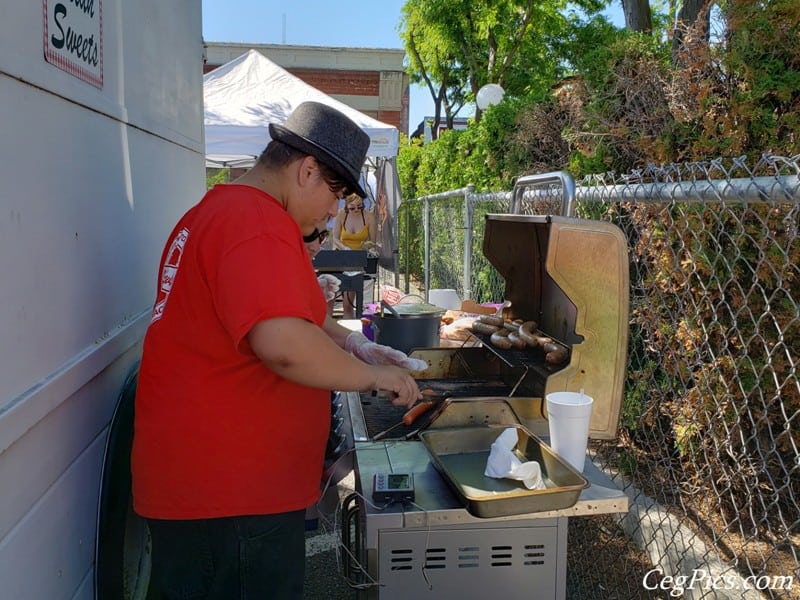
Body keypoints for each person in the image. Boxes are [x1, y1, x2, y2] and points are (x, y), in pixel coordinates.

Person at [131, 101, 425, 600]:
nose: (334, 213)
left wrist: (358, 345)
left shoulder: (224, 211)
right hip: (229, 497)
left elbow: (304, 319)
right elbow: (284, 344)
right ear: (306, 170)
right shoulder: (254, 221)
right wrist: (374, 378)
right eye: (335, 195)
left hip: (214, 490)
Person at [331, 193, 378, 318]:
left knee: (355, 302)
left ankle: (356, 326)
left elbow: (372, 242)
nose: (356, 210)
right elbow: (335, 238)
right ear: (346, 206)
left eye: (360, 207)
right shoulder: (341, 215)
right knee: (340, 300)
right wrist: (345, 248)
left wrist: (368, 248)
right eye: (352, 208)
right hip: (344, 259)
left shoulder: (369, 217)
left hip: (359, 262)